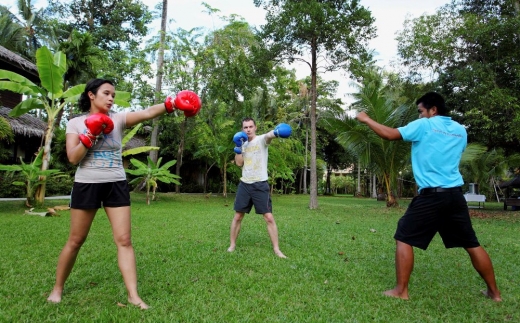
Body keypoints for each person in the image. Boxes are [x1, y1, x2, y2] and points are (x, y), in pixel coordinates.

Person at [46, 78, 201, 309]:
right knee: (76, 240)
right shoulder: (76, 123)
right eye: (106, 93)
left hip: (115, 183)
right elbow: (72, 158)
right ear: (91, 95)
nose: (111, 98)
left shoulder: (117, 120)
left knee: (125, 241)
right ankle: (57, 288)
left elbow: (147, 112)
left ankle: (133, 295)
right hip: (87, 184)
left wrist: (172, 104)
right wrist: (90, 134)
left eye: (113, 95)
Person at [356, 91, 501, 301]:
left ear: (433, 110)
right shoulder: (460, 130)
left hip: (432, 195)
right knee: (471, 243)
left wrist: (366, 119)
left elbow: (389, 134)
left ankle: (401, 291)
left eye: (421, 111)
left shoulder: (425, 125)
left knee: (404, 236)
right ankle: (494, 293)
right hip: (454, 196)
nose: (419, 116)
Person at [227, 118, 292, 258]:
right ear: (242, 129)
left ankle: (276, 249)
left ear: (255, 127)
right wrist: (238, 149)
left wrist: (276, 132)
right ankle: (232, 245)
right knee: (238, 216)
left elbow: (268, 136)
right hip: (245, 184)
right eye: (245, 127)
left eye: (251, 126)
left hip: (260, 184)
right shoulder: (242, 143)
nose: (248, 129)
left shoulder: (262, 140)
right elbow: (239, 164)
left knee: (268, 217)